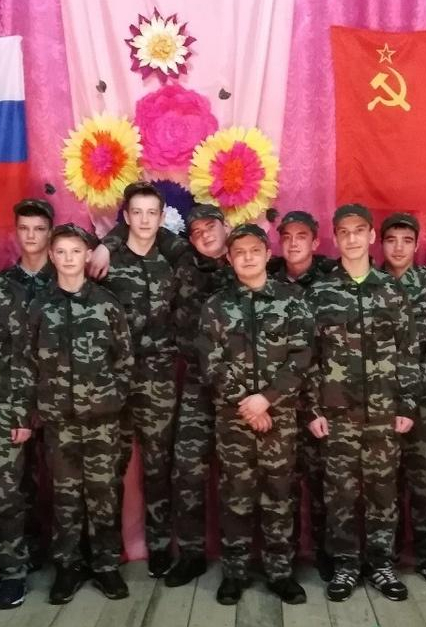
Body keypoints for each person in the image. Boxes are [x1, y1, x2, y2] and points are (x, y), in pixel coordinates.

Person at [306, 203, 420, 602]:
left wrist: (407, 404)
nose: (352, 238)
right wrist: (312, 409)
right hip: (336, 413)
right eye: (344, 232)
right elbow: (308, 357)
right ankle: (345, 565)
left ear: (371, 236)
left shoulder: (392, 290)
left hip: (384, 412)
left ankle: (381, 564)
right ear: (335, 238)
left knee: (383, 491)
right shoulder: (319, 293)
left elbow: (408, 352)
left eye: (359, 231)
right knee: (340, 493)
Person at [198, 223, 315, 605]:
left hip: (279, 418)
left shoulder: (292, 301)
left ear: (267, 254)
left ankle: (281, 572)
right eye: (239, 252)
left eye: (254, 251)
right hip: (234, 420)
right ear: (229, 259)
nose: (247, 257)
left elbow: (302, 355)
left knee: (280, 494)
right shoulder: (216, 306)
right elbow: (211, 362)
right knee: (236, 495)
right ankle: (235, 573)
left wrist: (267, 398)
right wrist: (247, 404)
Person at [27, 223, 134, 604]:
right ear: (51, 256)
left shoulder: (106, 304)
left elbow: (124, 359)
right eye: (61, 252)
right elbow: (27, 361)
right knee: (65, 495)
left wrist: (112, 399)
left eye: (76, 251)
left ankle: (106, 565)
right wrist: (36, 407)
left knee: (104, 493)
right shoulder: (40, 307)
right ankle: (68, 566)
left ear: (88, 255)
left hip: (103, 421)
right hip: (60, 422)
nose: (69, 258)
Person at [101, 182, 178, 578]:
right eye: (137, 212)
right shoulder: (106, 261)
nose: (145, 220)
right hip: (114, 381)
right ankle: (106, 549)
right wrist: (108, 243)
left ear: (162, 217)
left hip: (158, 379)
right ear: (126, 216)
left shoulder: (171, 261)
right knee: (109, 466)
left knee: (158, 466)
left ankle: (160, 547)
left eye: (152, 213)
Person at [168, 204, 234, 587]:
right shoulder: (183, 267)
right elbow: (139, 235)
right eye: (196, 231)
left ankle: (239, 558)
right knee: (188, 468)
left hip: (240, 388)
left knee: (238, 474)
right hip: (198, 383)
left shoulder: (250, 259)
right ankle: (191, 554)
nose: (206, 235)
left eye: (211, 226)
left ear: (227, 227)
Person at [381, 212, 426, 586]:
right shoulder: (371, 284)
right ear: (381, 243)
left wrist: (418, 391)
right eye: (391, 239)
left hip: (425, 401)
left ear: (418, 244)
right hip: (380, 401)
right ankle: (386, 557)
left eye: (407, 240)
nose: (399, 247)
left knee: (425, 481)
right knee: (384, 484)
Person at [269, 210, 335, 580]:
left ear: (315, 240)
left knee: (323, 478)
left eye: (302, 236)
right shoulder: (268, 277)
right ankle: (286, 555)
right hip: (280, 399)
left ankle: (327, 552)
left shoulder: (331, 279)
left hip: (322, 397)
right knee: (283, 482)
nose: (294, 243)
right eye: (287, 236)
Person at [2, 198, 55, 570]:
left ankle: (67, 557)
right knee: (15, 483)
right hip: (13, 398)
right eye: (24, 228)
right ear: (16, 232)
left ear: (50, 232)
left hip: (60, 395)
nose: (31, 236)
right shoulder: (4, 285)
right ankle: (20, 558)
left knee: (64, 482)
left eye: (39, 229)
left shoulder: (66, 278)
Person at [0, 277, 33, 609]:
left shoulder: (8, 295)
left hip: (3, 409)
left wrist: (21, 413)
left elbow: (21, 357)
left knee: (6, 496)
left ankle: (12, 572)